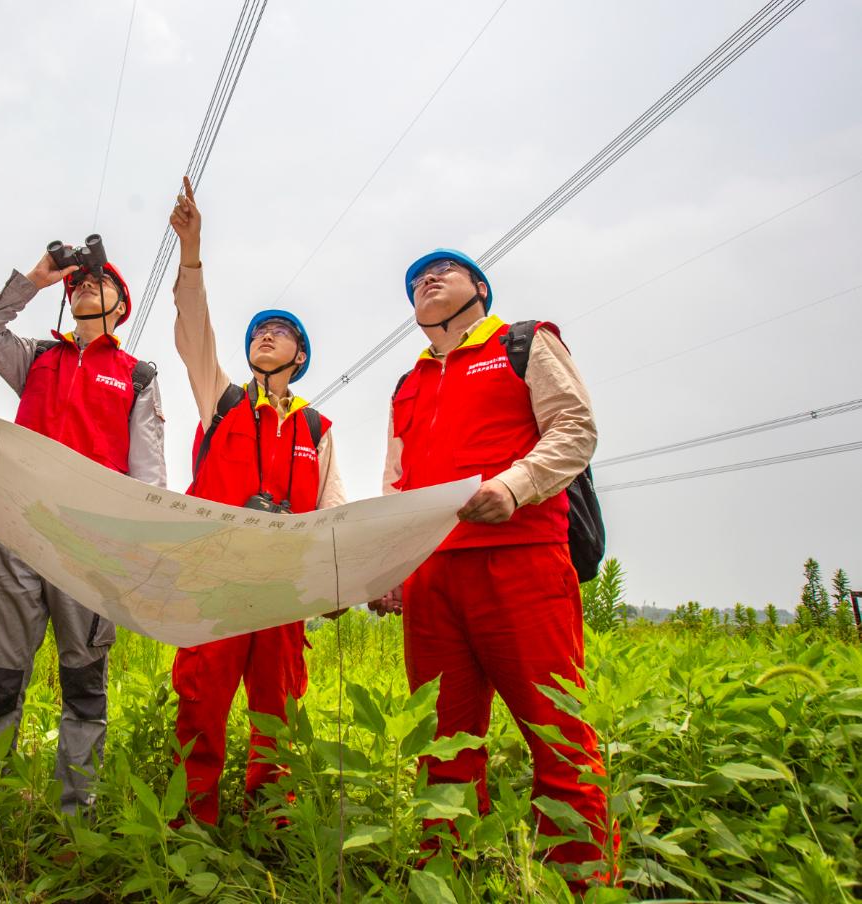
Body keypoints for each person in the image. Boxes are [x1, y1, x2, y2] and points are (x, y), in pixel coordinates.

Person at [372, 248, 616, 886]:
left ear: (479, 288)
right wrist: (391, 568)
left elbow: (574, 428)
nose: (426, 278)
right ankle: (447, 879)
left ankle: (580, 885)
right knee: (443, 741)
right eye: (416, 279)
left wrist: (512, 486)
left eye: (443, 271)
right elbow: (396, 484)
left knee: (557, 732)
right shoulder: (408, 384)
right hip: (431, 581)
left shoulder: (524, 343)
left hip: (521, 561)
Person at [0, 241, 166, 840]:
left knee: (83, 684)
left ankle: (76, 825)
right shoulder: (37, 358)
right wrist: (38, 279)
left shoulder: (139, 376)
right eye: (77, 284)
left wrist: (131, 560)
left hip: (89, 549)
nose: (83, 287)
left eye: (98, 283)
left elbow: (148, 478)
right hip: (16, 536)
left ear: (121, 306)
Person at [167, 177, 346, 825]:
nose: (266, 337)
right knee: (201, 707)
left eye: (281, 333)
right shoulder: (222, 398)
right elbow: (195, 334)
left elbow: (333, 517)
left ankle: (274, 826)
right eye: (259, 332)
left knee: (279, 713)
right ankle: (194, 826)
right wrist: (192, 251)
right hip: (215, 583)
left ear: (300, 356)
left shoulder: (316, 430)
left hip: (282, 594)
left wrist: (338, 579)